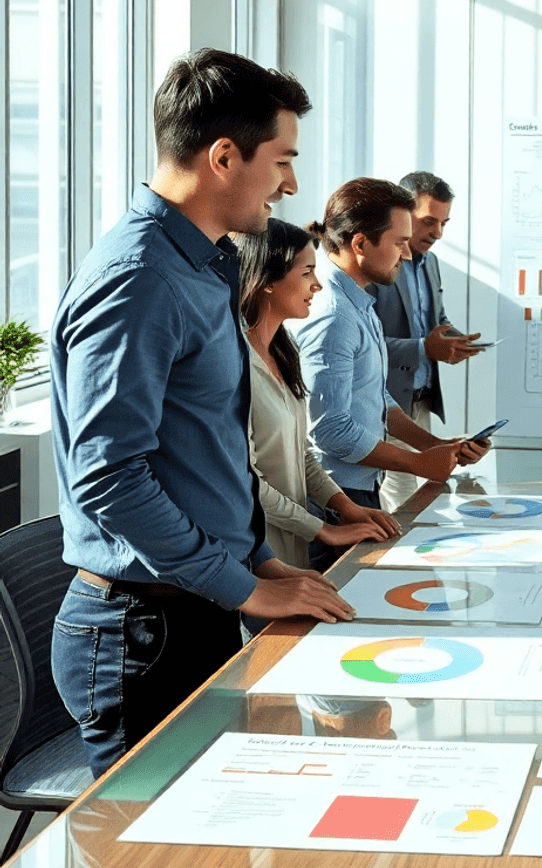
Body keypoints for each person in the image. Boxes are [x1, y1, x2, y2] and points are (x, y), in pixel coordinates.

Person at [51, 49, 355, 778]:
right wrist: (248, 585)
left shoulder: (205, 264)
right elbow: (109, 478)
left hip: (195, 603)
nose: (291, 184)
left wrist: (261, 566)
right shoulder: (141, 279)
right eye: (282, 159)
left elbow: (205, 452)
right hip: (142, 629)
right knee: (156, 850)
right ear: (224, 156)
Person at [296, 178, 489, 519]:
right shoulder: (333, 315)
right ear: (359, 243)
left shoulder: (359, 302)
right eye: (399, 242)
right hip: (336, 498)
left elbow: (377, 396)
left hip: (360, 487)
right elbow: (329, 429)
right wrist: (416, 462)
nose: (405, 253)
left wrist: (436, 446)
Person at [237, 218, 402, 571]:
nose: (316, 285)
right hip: (256, 558)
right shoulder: (236, 367)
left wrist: (345, 507)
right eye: (306, 273)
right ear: (267, 279)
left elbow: (302, 454)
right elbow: (246, 480)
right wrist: (323, 530)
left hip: (292, 549)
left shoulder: (285, 352)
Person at [368, 171, 482, 513]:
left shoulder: (430, 263)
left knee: (426, 497)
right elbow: (365, 343)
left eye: (444, 223)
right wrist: (423, 349)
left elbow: (436, 321)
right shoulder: (379, 263)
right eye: (429, 222)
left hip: (420, 403)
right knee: (403, 506)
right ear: (403, 213)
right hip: (384, 408)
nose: (438, 233)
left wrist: (455, 340)